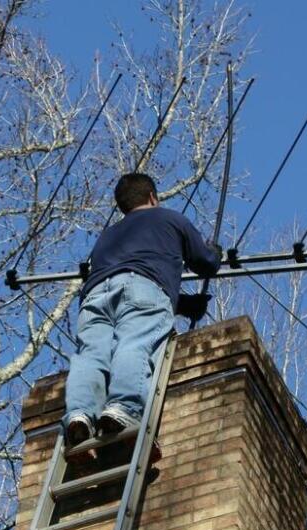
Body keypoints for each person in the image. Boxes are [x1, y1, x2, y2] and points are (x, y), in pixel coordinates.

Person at [63, 173, 222, 451]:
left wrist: (184, 305)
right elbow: (205, 263)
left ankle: (79, 413)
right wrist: (214, 252)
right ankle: (123, 407)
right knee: (134, 343)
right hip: (143, 287)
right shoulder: (170, 219)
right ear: (152, 196)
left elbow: (124, 277)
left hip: (95, 295)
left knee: (90, 354)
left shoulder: (108, 236)